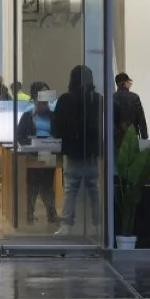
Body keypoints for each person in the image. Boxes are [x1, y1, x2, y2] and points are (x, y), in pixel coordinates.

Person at [52, 66, 101, 236]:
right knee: (94, 189)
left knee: (70, 189)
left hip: (72, 151)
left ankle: (67, 225)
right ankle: (97, 224)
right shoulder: (97, 99)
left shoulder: (65, 99)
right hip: (93, 152)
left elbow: (57, 126)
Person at [15, 82, 58, 226]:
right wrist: (32, 143)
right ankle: (29, 214)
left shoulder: (53, 116)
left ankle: (51, 214)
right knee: (32, 184)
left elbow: (59, 133)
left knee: (47, 184)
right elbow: (20, 136)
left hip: (48, 152)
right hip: (32, 154)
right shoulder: (27, 116)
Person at [114, 73, 149, 141]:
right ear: (126, 83)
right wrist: (144, 136)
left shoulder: (112, 97)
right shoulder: (134, 97)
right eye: (129, 82)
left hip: (117, 135)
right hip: (132, 134)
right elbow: (141, 118)